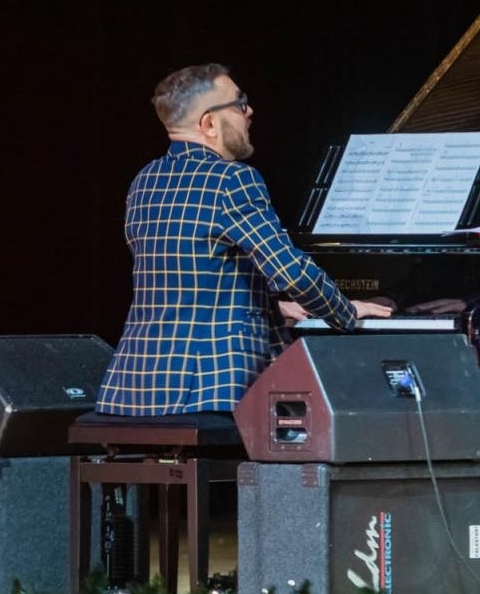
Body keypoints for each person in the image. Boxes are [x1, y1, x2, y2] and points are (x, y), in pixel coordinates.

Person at [97, 63, 391, 416]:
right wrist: (344, 310)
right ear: (208, 123)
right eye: (239, 104)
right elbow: (292, 273)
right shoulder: (232, 180)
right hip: (211, 389)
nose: (249, 112)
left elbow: (190, 280)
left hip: (135, 387)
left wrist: (270, 308)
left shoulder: (145, 181)